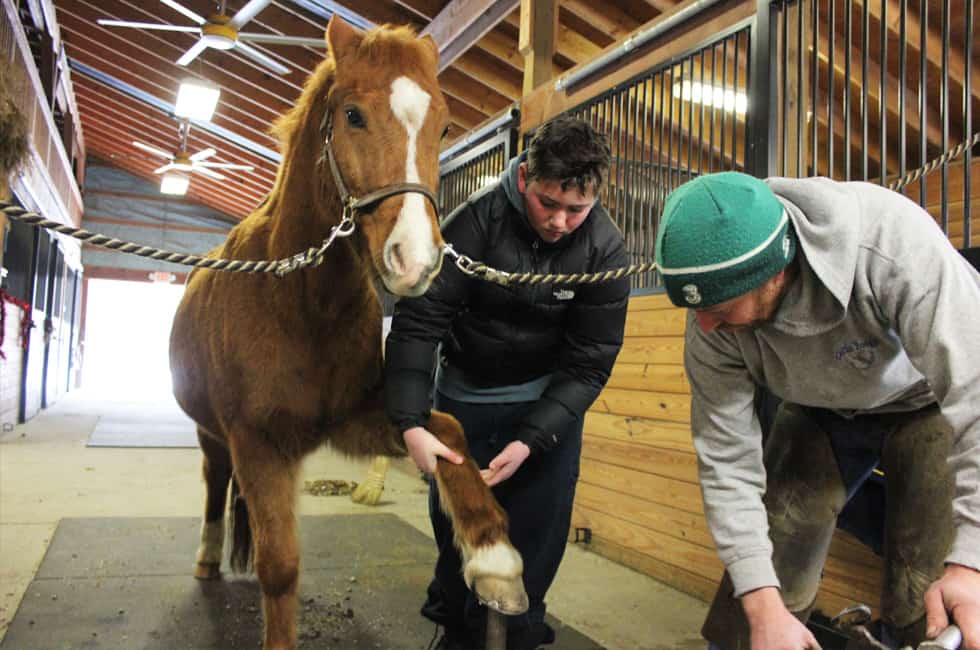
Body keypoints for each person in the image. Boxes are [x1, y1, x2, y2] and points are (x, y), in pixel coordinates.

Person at [653, 171, 980, 650]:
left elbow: (975, 395)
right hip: (818, 406)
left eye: (720, 310)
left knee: (925, 585)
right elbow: (726, 461)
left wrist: (971, 563)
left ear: (773, 272)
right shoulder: (710, 321)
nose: (704, 324)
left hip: (925, 401)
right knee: (774, 559)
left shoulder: (891, 246)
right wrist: (763, 608)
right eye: (696, 310)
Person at [384, 116, 630, 650]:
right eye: (548, 203)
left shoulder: (605, 250)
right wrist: (409, 421)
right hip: (463, 402)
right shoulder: (473, 224)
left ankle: (519, 630)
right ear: (523, 180)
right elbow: (419, 323)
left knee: (538, 540)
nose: (561, 222)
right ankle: (453, 623)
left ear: (596, 197)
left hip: (545, 409)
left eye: (576, 209)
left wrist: (534, 438)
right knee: (459, 536)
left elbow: (590, 362)